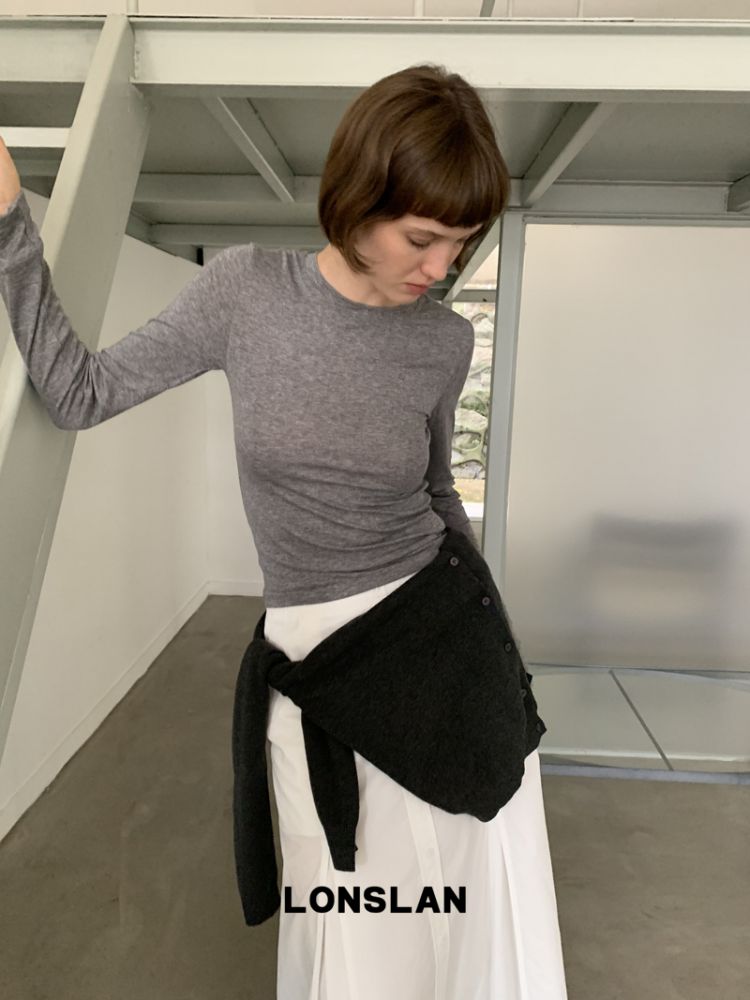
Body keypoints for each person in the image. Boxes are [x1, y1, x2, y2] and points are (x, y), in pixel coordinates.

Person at [0, 63, 568, 1000]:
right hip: (317, 660)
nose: (439, 270)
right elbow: (78, 391)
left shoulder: (442, 340)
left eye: (461, 245)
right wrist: (9, 225)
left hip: (439, 639)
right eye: (421, 238)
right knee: (350, 898)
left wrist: (500, 651)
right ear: (358, 197)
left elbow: (437, 491)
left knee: (475, 888)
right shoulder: (245, 293)